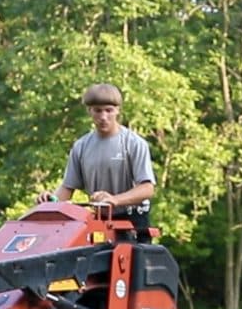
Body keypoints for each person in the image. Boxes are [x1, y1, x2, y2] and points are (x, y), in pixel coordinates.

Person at [36, 83, 156, 239]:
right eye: (98, 111)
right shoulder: (81, 146)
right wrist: (50, 202)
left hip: (133, 224)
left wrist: (114, 200)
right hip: (99, 222)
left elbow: (147, 188)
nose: (103, 117)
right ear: (89, 111)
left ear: (118, 110)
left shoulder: (134, 143)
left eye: (109, 110)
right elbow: (68, 187)